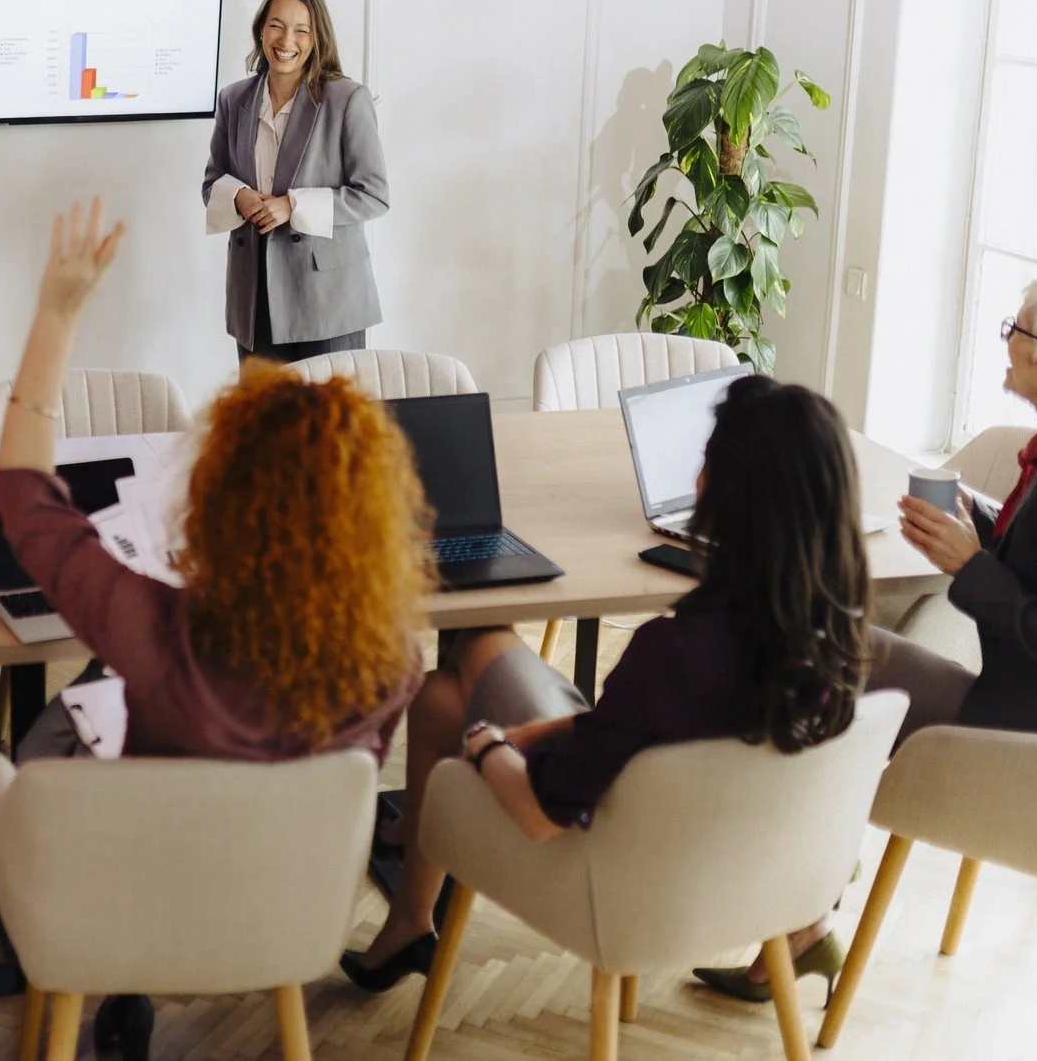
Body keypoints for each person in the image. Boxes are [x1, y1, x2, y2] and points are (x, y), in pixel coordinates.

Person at [0, 198, 428, 1058]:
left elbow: (21, 492)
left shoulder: (156, 631)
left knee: (61, 724)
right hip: (282, 922)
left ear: (218, 499)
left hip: (118, 906)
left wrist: (58, 312)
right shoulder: (396, 660)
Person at [697, 264, 1037, 1003]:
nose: (1007, 339)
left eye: (1019, 330)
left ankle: (802, 896)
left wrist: (969, 567)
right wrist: (983, 530)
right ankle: (804, 910)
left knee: (810, 666)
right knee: (834, 650)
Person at [347, 377, 872, 1003]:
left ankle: (411, 910)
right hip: (752, 870)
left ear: (725, 493)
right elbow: (658, 724)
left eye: (707, 459)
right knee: (439, 697)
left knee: (468, 661)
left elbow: (541, 818)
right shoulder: (837, 643)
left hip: (614, 880)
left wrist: (488, 745)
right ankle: (409, 916)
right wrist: (536, 733)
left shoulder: (675, 655)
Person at [202, 0, 390, 363]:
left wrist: (293, 205)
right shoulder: (233, 99)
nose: (286, 41)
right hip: (256, 296)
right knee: (264, 422)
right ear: (260, 30)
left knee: (329, 422)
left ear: (316, 37)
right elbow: (212, 181)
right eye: (276, 26)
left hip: (328, 300)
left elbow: (373, 195)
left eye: (301, 30)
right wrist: (238, 196)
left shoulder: (346, 99)